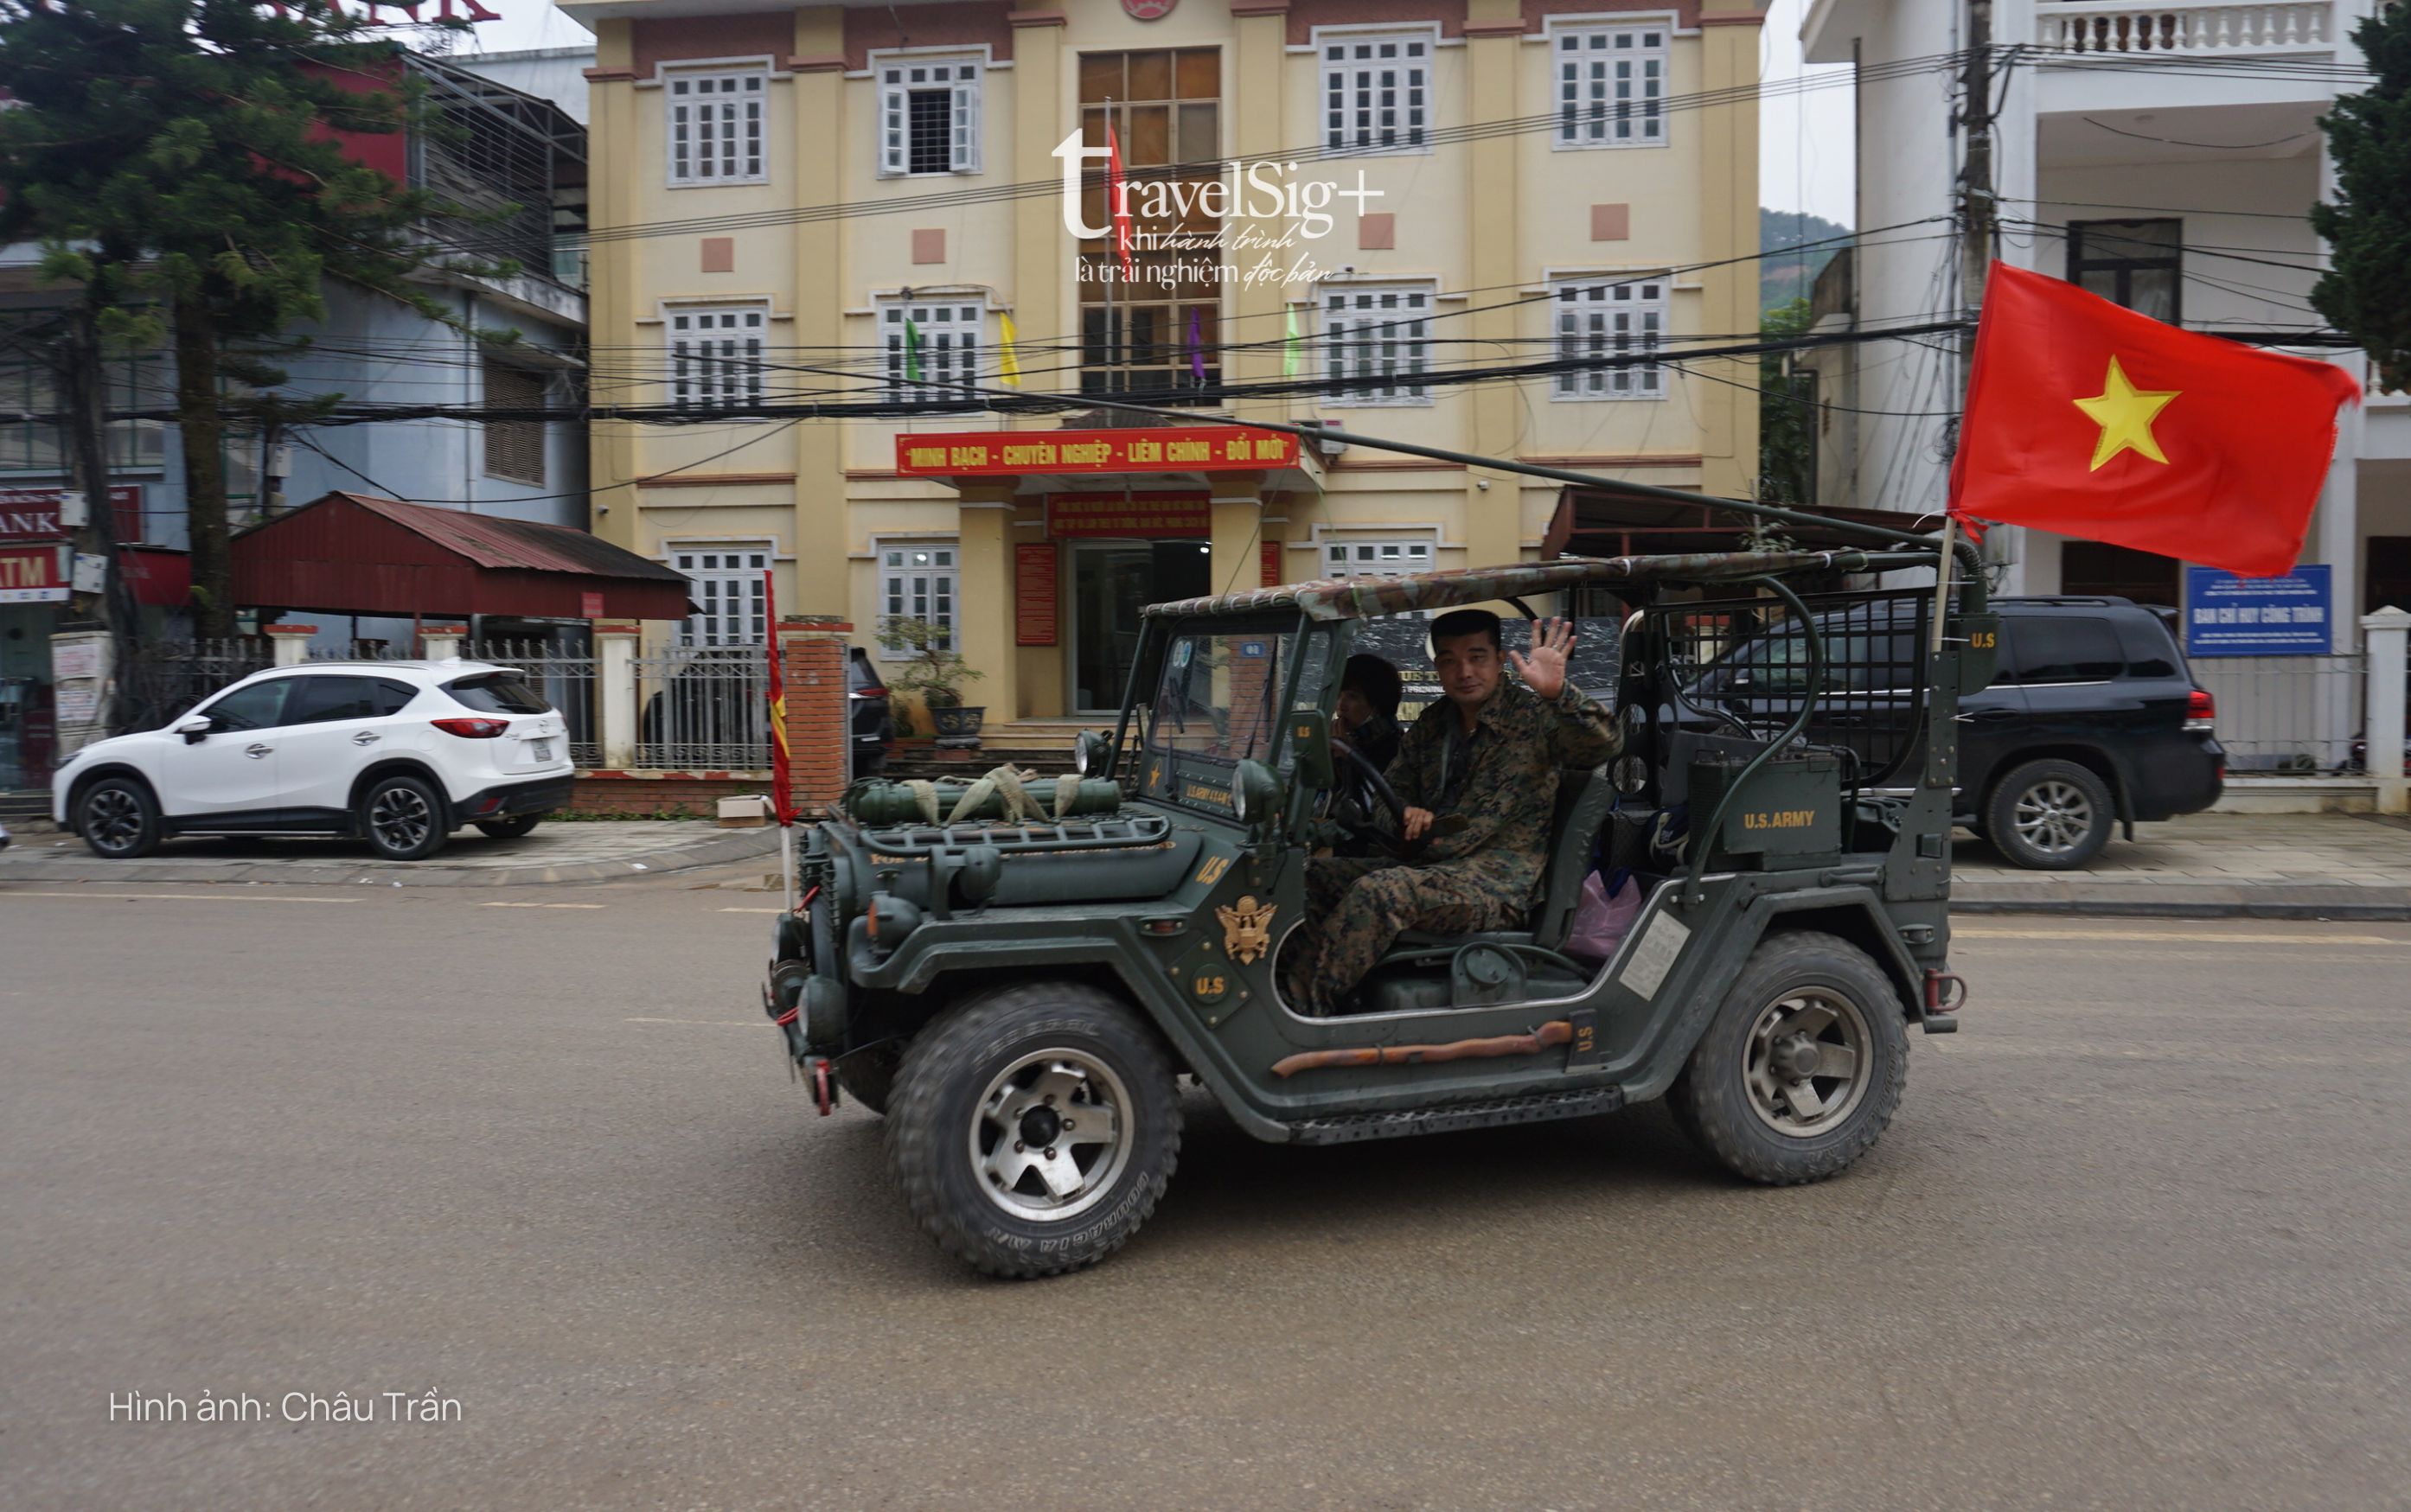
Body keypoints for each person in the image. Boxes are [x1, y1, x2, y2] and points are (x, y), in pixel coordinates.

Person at [1283, 611, 1620, 1016]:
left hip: (1497, 884)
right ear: (1438, 666)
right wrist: (1407, 816)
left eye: (1477, 657)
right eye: (1449, 660)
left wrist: (1558, 693)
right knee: (1304, 879)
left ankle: (1302, 1013)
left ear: (1498, 659)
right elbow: (1391, 799)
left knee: (1381, 893)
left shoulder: (1535, 717)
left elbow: (1601, 746)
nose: (1464, 672)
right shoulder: (1433, 724)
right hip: (1432, 867)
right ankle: (1296, 986)